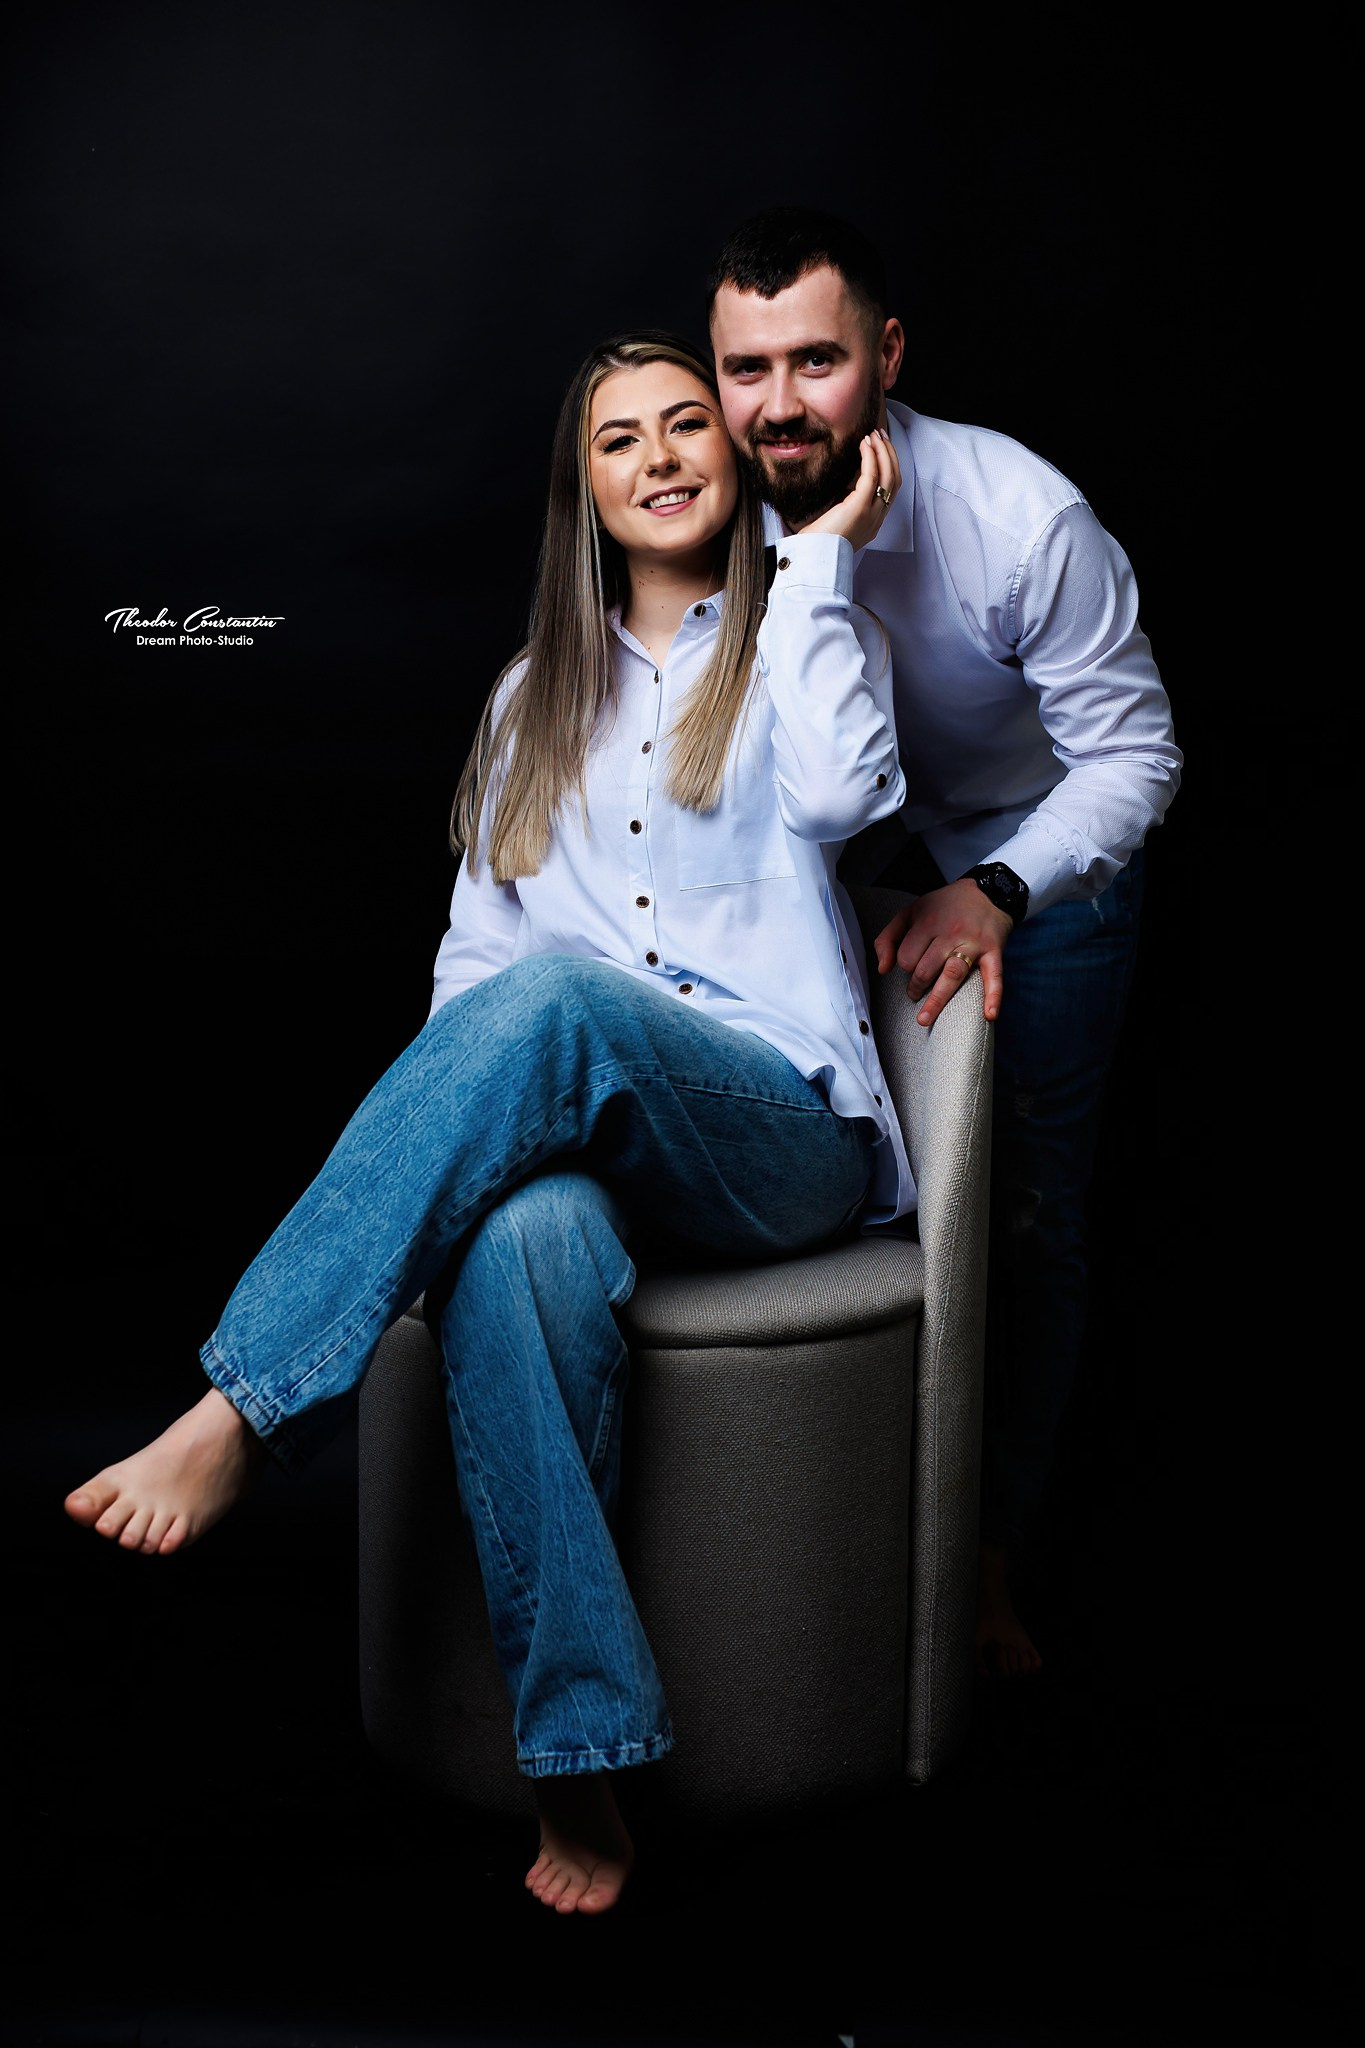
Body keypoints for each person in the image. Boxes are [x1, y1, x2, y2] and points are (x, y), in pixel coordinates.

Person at [63, 329, 912, 1914]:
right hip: (589, 1138)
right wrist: (455, 1162)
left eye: (686, 424)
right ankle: (579, 1755)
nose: (659, 457)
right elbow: (475, 974)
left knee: (560, 1000)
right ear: (582, 490)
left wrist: (817, 568)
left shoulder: (804, 631)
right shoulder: (534, 696)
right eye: (617, 440)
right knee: (520, 1237)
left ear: (730, 458)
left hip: (773, 1140)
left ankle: (243, 1407)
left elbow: (847, 801)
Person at [706, 207, 1182, 1677]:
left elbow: (1135, 755)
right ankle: (818, 1561)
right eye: (745, 368)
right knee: (853, 1199)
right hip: (827, 864)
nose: (778, 405)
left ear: (888, 355)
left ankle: (987, 1568)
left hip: (1034, 861)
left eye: (817, 361)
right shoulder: (701, 494)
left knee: (1018, 1220)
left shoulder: (1018, 516)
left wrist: (993, 889)